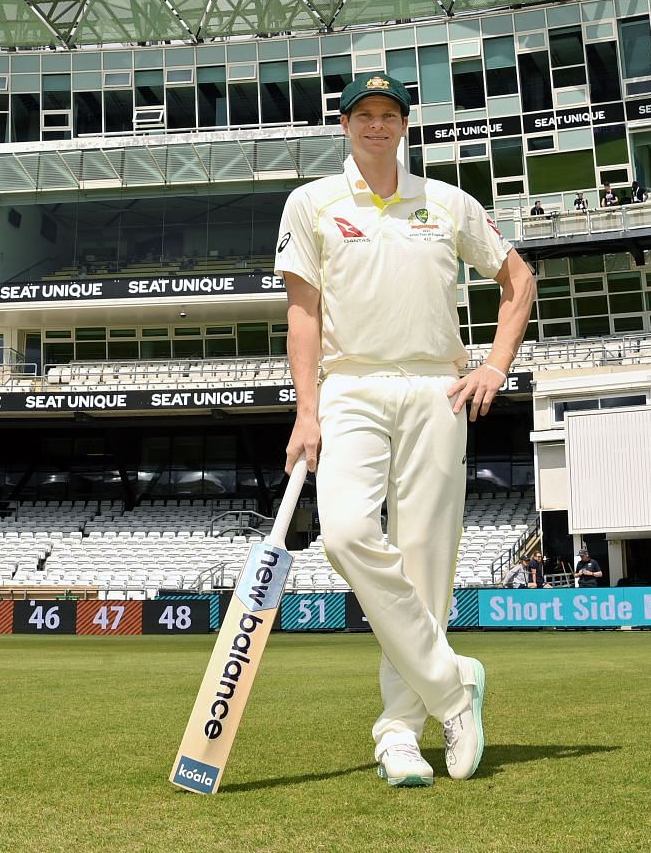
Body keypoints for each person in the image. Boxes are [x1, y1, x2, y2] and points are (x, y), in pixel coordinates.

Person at [276, 72, 535, 788]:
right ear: (346, 124)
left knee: (425, 568)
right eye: (365, 114)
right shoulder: (313, 204)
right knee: (347, 534)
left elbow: (519, 280)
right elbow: (303, 314)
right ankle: (454, 688)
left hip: (436, 387)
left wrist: (494, 366)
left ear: (405, 126)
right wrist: (305, 409)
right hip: (349, 384)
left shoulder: (447, 202)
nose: (378, 126)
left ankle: (399, 735)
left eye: (390, 115)